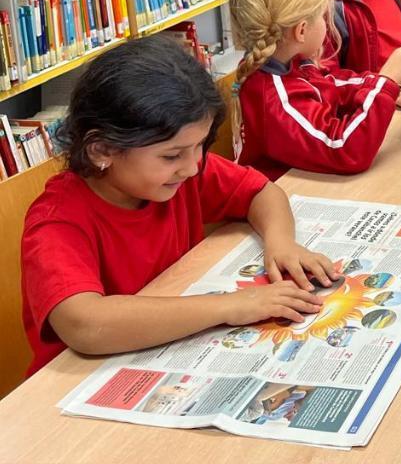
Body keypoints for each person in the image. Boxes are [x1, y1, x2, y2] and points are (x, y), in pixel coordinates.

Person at [20, 37, 338, 375]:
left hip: (168, 352)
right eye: (171, 155)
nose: (191, 166)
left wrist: (281, 242)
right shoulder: (57, 222)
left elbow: (262, 192)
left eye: (200, 146)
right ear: (101, 151)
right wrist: (229, 306)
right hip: (75, 386)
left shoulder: (178, 175)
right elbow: (85, 324)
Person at [229, 0, 401, 180]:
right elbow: (345, 150)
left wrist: (384, 87)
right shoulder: (274, 97)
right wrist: (387, 83)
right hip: (290, 195)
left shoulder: (290, 62)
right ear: (301, 31)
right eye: (323, 16)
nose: (327, 23)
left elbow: (332, 85)